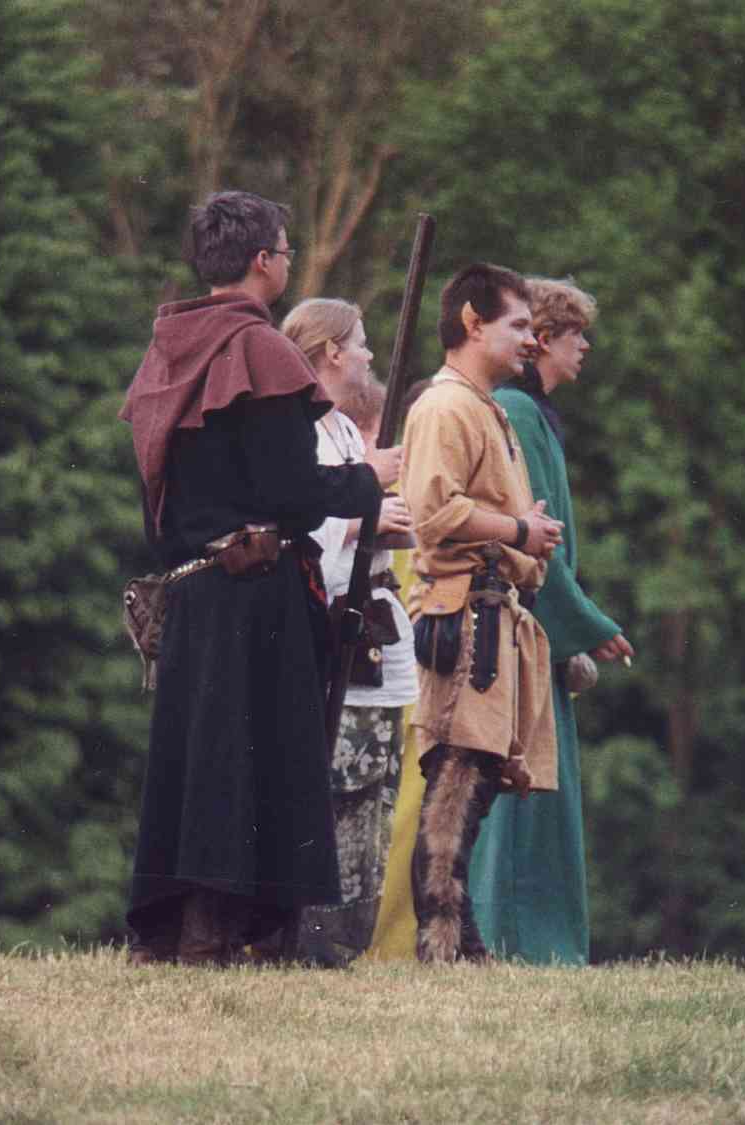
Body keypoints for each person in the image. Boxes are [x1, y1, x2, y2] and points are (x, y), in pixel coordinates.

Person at [119, 191, 382, 967]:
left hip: (192, 584)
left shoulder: (168, 348)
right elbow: (292, 492)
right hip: (253, 592)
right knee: (238, 760)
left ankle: (174, 933)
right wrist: (366, 480)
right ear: (264, 260)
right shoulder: (260, 349)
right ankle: (209, 933)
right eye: (286, 251)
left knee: (200, 757)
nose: (287, 262)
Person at [399, 263, 564, 963]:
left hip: (492, 613)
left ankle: (459, 940)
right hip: (464, 618)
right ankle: (443, 942)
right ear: (472, 322)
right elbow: (434, 512)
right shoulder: (446, 407)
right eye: (518, 325)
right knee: (455, 783)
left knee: (477, 782)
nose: (531, 339)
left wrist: (522, 530)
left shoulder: (483, 407)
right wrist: (518, 529)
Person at [470, 277, 634, 965]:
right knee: (525, 788)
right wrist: (589, 623)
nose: (584, 346)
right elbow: (537, 542)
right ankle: (522, 943)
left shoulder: (532, 413)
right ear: (543, 339)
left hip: (537, 631)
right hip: (520, 630)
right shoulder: (516, 408)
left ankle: (534, 942)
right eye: (575, 334)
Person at [281, 299, 418, 966]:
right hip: (331, 633)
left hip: (372, 632)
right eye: (359, 343)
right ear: (332, 351)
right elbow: (307, 531)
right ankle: (313, 939)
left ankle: (345, 942)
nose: (367, 354)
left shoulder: (337, 428)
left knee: (372, 800)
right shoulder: (303, 433)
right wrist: (367, 517)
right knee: (338, 793)